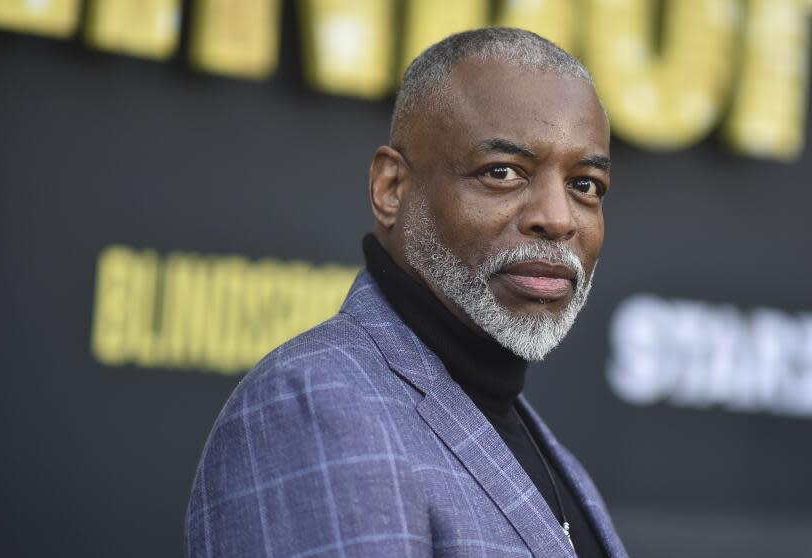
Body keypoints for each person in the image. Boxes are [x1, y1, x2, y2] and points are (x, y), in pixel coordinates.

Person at [186, 27, 627, 558]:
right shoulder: (319, 406)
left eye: (584, 185)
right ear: (391, 188)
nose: (557, 219)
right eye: (503, 172)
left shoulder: (548, 454)